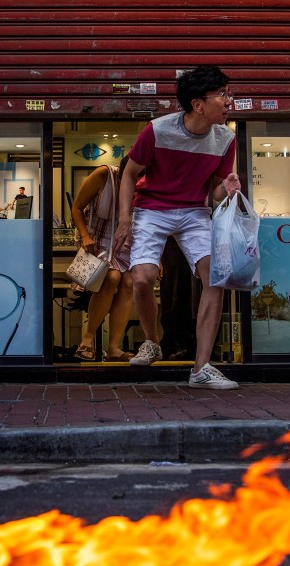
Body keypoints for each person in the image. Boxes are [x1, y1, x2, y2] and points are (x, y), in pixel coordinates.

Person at [112, 65, 242, 389]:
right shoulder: (158, 130)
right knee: (141, 279)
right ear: (198, 104)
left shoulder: (226, 138)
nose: (230, 101)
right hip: (152, 209)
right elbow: (129, 173)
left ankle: (201, 368)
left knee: (216, 276)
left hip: (194, 211)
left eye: (229, 93)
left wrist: (226, 188)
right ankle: (153, 341)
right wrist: (124, 221)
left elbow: (213, 190)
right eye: (223, 95)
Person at [69, 158, 134, 362]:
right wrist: (84, 236)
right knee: (112, 277)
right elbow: (77, 207)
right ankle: (88, 339)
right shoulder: (104, 175)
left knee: (129, 283)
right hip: (97, 239)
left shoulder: (144, 183)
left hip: (125, 242)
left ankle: (114, 347)